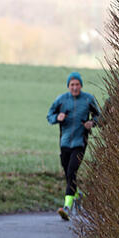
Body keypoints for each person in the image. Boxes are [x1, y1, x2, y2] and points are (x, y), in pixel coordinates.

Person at [47, 72, 101, 220]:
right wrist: (57, 118)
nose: (75, 87)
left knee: (71, 171)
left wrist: (92, 123)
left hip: (80, 142)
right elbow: (49, 116)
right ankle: (77, 195)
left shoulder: (88, 99)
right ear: (68, 86)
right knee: (68, 173)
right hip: (64, 143)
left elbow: (99, 116)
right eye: (72, 85)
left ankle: (67, 207)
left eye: (77, 84)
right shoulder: (62, 100)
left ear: (81, 85)